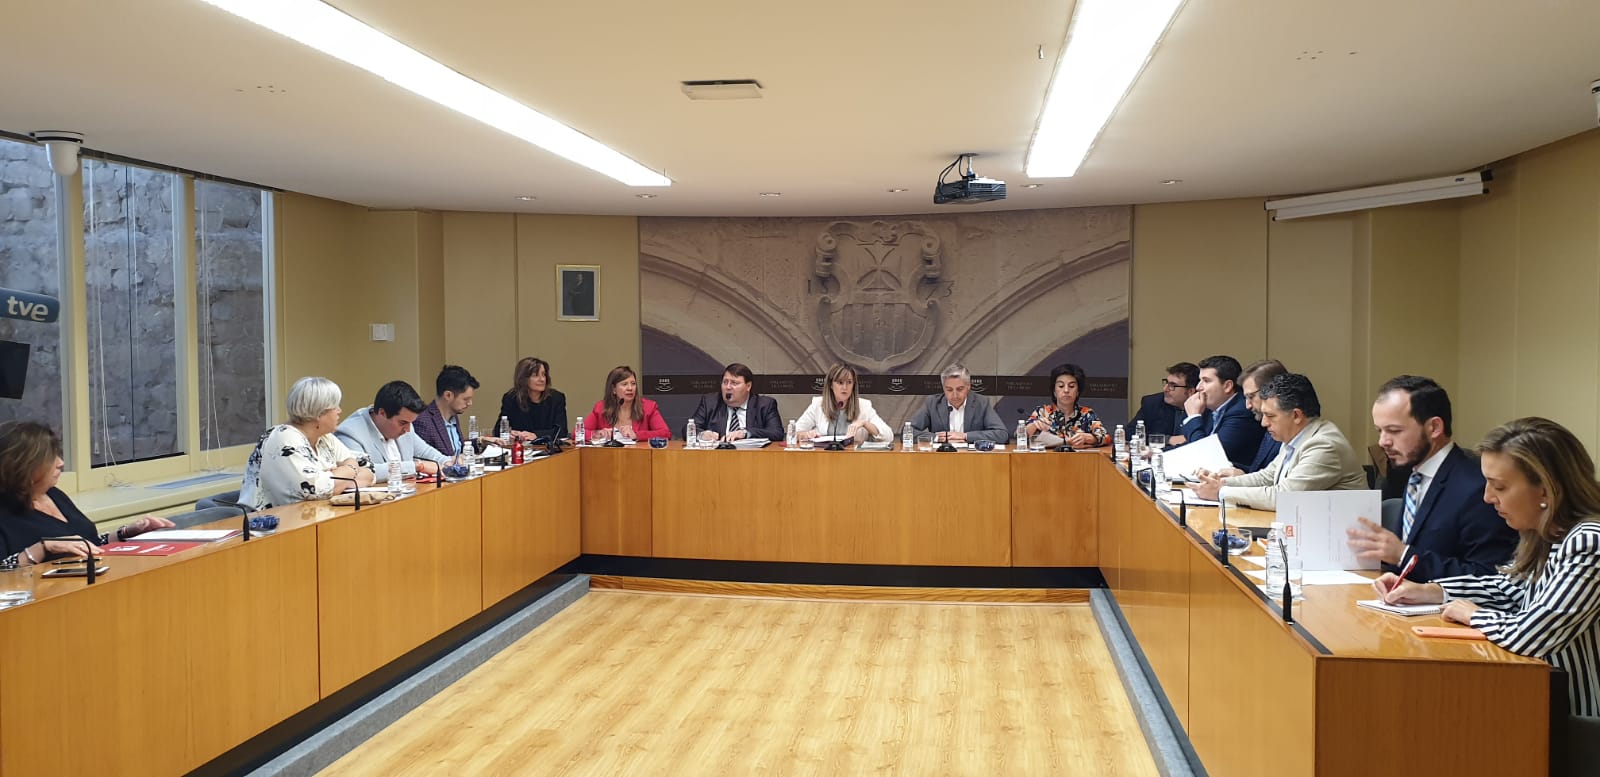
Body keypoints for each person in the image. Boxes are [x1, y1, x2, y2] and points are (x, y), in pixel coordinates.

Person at [1374, 417, 1600, 715]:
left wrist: (1474, 615)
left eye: (1500, 487)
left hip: (1573, 717)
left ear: (1546, 490)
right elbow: (1509, 590)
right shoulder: (1544, 534)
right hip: (1534, 697)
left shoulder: (1589, 542)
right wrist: (1430, 591)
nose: (1487, 497)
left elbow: (1532, 635)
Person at [1345, 376, 1518, 582]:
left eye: (1394, 431)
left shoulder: (1477, 486)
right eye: (1379, 431)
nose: (1383, 442)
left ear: (1434, 427)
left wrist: (1403, 556)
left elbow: (1488, 575)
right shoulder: (1414, 474)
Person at [0, 421, 173, 565]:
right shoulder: (5, 512)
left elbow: (90, 542)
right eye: (50, 458)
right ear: (24, 466)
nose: (61, 463)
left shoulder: (54, 494)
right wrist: (41, 549)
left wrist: (126, 533)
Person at [1192, 373, 1366, 509]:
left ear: (1296, 415)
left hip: (1341, 538)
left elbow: (1283, 496)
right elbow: (1267, 477)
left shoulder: (1323, 445)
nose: (1264, 423)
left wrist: (1221, 492)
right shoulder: (1297, 435)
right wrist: (1221, 482)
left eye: (1270, 416)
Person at [240, 376, 374, 510]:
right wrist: (350, 470)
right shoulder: (283, 437)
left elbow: (369, 471)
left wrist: (338, 477)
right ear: (319, 413)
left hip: (314, 515)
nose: (339, 410)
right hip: (271, 520)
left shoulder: (325, 437)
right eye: (335, 406)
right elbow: (316, 490)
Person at [334, 380, 453, 482]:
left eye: (410, 423)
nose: (408, 429)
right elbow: (361, 472)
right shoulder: (350, 433)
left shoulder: (406, 425)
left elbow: (425, 451)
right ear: (382, 413)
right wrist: (418, 466)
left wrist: (449, 463)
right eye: (403, 423)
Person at [1177, 355, 1265, 469]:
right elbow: (1189, 446)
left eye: (1206, 381)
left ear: (1227, 386)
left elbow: (1207, 457)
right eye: (1200, 380)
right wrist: (1159, 454)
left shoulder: (1242, 411)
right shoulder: (1210, 408)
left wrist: (1193, 417)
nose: (1198, 387)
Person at [1207, 359, 1288, 476]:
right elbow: (1264, 472)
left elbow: (1280, 482)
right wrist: (1237, 472)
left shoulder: (1288, 430)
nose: (1247, 405)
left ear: (1271, 391)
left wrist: (1243, 477)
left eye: (1251, 396)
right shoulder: (1269, 426)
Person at [907, 362, 1009, 445]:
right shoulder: (933, 403)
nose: (955, 395)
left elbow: (1002, 435)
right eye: (949, 390)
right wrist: (937, 438)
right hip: (941, 457)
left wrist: (966, 436)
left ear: (968, 386)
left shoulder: (981, 403)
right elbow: (907, 433)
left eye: (960, 389)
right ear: (943, 388)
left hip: (972, 458)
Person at [794, 363, 892, 443]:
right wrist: (806, 435)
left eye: (849, 382)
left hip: (854, 458)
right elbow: (794, 433)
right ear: (831, 385)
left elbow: (888, 437)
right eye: (840, 382)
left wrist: (865, 423)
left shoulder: (864, 406)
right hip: (824, 458)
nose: (845, 387)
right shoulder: (818, 404)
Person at [687, 362, 785, 443]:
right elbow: (688, 429)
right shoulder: (710, 402)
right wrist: (702, 434)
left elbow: (776, 433)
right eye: (725, 382)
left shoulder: (764, 405)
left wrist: (745, 433)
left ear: (748, 386)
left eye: (734, 383)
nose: (728, 387)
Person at [1024, 363, 1109, 449]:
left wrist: (1090, 438)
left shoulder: (1087, 414)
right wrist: (1033, 426)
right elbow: (1020, 435)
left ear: (1078, 392)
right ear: (1054, 391)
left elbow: (1106, 437)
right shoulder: (1042, 412)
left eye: (1071, 386)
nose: (1066, 390)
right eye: (1061, 386)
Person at [584, 366, 670, 441]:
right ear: (614, 389)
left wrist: (636, 435)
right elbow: (579, 433)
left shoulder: (648, 407)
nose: (630, 388)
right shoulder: (601, 408)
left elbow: (665, 433)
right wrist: (598, 434)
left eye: (633, 384)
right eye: (624, 384)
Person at [412, 364, 478, 458]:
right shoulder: (423, 421)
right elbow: (424, 459)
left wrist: (480, 442)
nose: (470, 403)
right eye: (465, 399)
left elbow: (457, 449)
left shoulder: (453, 416)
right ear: (448, 395)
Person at [499, 357, 568, 441]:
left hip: (547, 447)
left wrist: (536, 435)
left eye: (543, 374)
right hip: (521, 446)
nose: (542, 379)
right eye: (536, 375)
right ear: (523, 379)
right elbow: (498, 430)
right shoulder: (511, 398)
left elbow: (562, 431)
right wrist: (510, 433)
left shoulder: (556, 398)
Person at [1130, 361, 1197, 440]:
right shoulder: (1152, 403)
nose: (1165, 389)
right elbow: (1130, 432)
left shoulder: (1205, 407)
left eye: (1172, 385)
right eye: (1167, 383)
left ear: (1190, 391)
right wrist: (1167, 439)